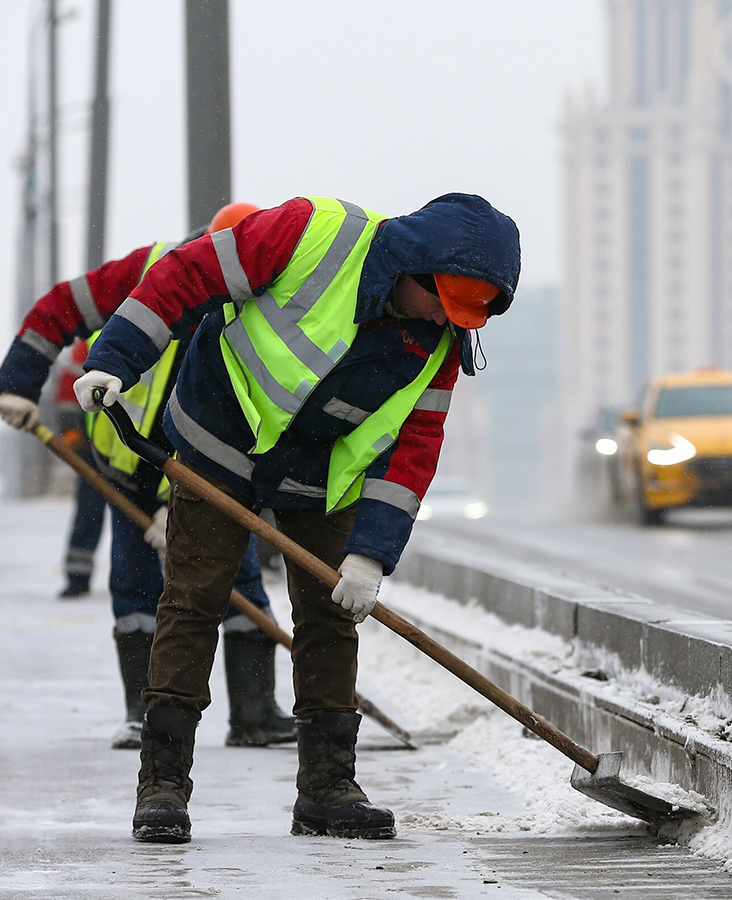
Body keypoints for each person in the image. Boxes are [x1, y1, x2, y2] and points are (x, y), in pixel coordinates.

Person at [74, 193, 520, 844]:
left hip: (320, 470)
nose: (443, 321)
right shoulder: (311, 233)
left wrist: (370, 556)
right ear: (413, 268)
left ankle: (327, 790)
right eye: (441, 303)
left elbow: (415, 449)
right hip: (224, 433)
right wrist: (114, 358)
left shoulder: (443, 342)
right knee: (194, 600)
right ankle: (163, 785)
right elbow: (183, 274)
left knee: (331, 616)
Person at [0, 203, 295, 751]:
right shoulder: (150, 272)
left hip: (211, 475)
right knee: (135, 586)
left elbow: (227, 413)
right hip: (123, 466)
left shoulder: (263, 305)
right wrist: (18, 383)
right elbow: (60, 308)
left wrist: (177, 501)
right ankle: (141, 715)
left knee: (237, 582)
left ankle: (255, 714)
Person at [53, 339, 107, 598]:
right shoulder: (88, 345)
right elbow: (67, 394)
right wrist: (72, 434)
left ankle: (144, 576)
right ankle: (77, 576)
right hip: (92, 449)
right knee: (89, 511)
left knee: (135, 518)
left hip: (130, 449)